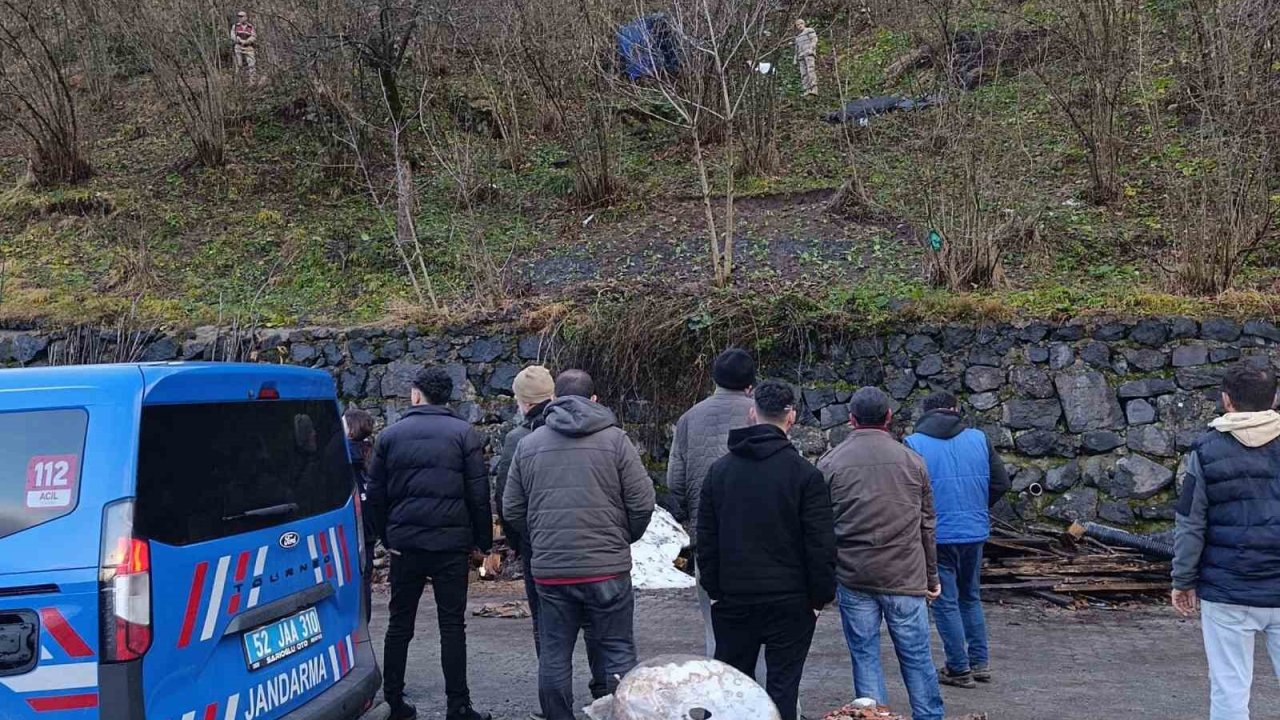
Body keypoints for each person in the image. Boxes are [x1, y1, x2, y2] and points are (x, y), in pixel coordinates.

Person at [504, 370, 656, 720]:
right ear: (595, 401)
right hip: (608, 567)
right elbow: (642, 501)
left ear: (554, 399)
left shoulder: (529, 444)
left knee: (554, 652)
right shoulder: (617, 441)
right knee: (617, 649)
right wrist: (623, 536)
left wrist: (543, 537)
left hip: (552, 571)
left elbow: (511, 507)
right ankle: (620, 713)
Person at [697, 380, 836, 720]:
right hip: (792, 602)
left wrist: (714, 591)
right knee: (782, 690)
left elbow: (706, 540)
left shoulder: (719, 472)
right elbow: (820, 545)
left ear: (751, 413)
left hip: (734, 599)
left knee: (733, 690)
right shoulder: (805, 476)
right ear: (791, 417)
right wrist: (819, 598)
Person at [365, 366, 492, 720]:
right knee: (452, 625)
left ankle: (393, 701)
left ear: (417, 394)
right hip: (450, 546)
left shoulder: (390, 436)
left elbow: (374, 495)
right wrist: (482, 541)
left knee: (399, 623)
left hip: (405, 546)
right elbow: (478, 494)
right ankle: (459, 705)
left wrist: (385, 537)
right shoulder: (464, 434)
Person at [819, 386, 944, 720]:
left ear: (851, 420)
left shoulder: (830, 463)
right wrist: (932, 578)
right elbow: (927, 527)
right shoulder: (913, 462)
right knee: (917, 657)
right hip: (905, 576)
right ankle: (929, 716)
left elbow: (821, 528)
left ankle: (872, 716)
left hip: (854, 575)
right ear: (889, 418)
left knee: (865, 655)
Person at [494, 365, 608, 719]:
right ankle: (605, 697)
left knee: (550, 633)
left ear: (521, 401)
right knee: (600, 629)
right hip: (599, 549)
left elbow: (508, 502)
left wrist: (524, 542)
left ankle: (556, 710)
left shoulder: (520, 440)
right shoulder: (603, 431)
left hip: (542, 551)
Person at [1173, 361, 1280, 720]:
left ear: (1225, 400)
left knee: (1229, 689)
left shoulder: (1205, 450)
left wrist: (1183, 580)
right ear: (1275, 398)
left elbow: (1190, 523)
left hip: (1227, 590)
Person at [904, 392, 1010, 688]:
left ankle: (958, 668)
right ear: (955, 410)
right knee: (970, 596)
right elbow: (1002, 483)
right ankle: (980, 663)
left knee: (944, 602)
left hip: (936, 535)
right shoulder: (978, 438)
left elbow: (908, 493)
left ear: (924, 411)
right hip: (974, 531)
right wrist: (976, 507)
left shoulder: (914, 444)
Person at [667, 347, 756, 659]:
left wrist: (690, 513)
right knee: (765, 636)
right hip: (762, 540)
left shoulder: (690, 418)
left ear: (714, 378)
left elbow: (674, 482)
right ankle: (773, 706)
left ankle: (718, 702)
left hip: (709, 539)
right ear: (751, 383)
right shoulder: (762, 413)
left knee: (715, 629)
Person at [343, 406, 376, 622]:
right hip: (370, 529)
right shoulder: (372, 455)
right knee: (364, 578)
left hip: (350, 527)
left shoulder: (340, 455)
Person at [794, 19, 818, 97]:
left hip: (808, 54)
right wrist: (795, 58)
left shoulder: (809, 30)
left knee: (810, 70)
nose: (800, 25)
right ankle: (806, 89)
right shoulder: (797, 37)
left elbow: (814, 40)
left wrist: (811, 49)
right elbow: (796, 49)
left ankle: (814, 89)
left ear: (804, 23)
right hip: (801, 56)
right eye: (798, 25)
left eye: (801, 23)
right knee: (803, 74)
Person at [230, 11, 257, 80]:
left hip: (248, 47)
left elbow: (254, 36)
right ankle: (238, 81)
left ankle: (252, 80)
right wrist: (238, 39)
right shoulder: (235, 26)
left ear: (246, 17)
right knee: (239, 65)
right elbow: (232, 36)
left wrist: (247, 41)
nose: (240, 18)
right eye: (239, 16)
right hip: (238, 47)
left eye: (242, 16)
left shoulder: (250, 27)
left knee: (251, 64)